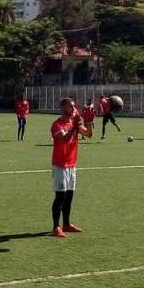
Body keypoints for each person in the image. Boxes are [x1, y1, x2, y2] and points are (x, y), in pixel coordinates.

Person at [50, 97, 93, 237]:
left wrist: (89, 121)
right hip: (60, 165)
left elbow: (88, 134)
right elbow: (64, 139)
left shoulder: (73, 123)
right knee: (60, 197)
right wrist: (75, 126)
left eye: (74, 106)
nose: (73, 109)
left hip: (72, 164)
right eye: (70, 106)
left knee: (69, 196)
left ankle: (66, 224)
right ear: (62, 108)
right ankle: (56, 227)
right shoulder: (57, 125)